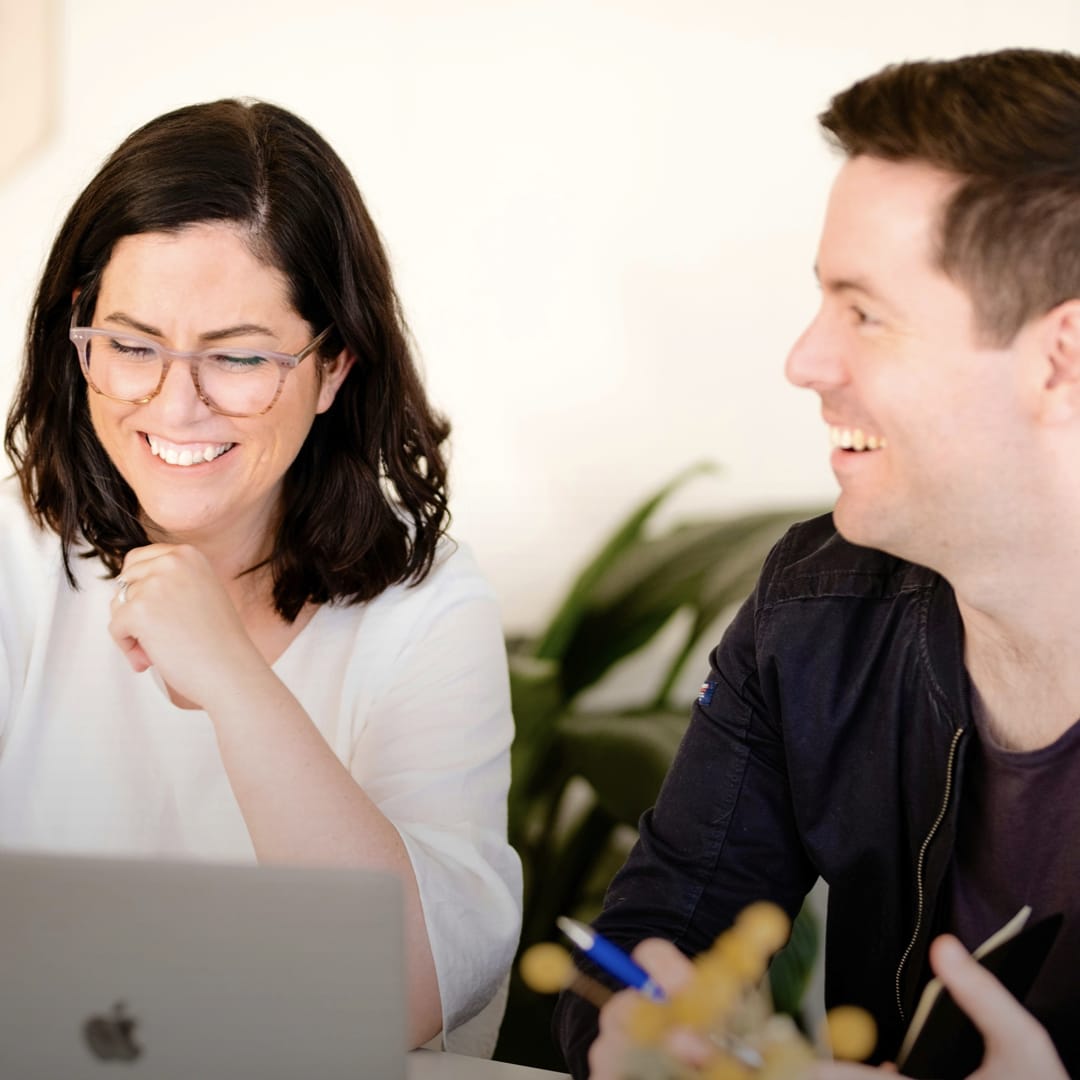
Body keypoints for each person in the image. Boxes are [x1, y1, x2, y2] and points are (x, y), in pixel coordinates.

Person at [554, 48, 1080, 1078]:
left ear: (1061, 361)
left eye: (865, 312)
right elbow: (648, 945)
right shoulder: (816, 609)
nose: (805, 360)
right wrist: (638, 1035)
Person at [0, 99, 521, 1056]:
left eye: (239, 357)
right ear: (80, 337)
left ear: (334, 368)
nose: (174, 403)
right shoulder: (14, 557)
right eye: (131, 345)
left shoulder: (428, 606)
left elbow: (405, 993)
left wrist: (237, 681)